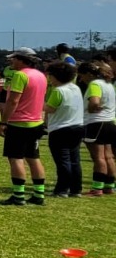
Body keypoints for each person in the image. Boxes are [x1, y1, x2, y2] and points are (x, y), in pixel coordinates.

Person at [0, 49, 47, 206]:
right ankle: (39, 194)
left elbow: (13, 101)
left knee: (16, 158)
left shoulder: (20, 75)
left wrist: (4, 122)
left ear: (22, 60)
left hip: (19, 123)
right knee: (33, 157)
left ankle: (18, 196)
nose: (11, 62)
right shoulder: (41, 75)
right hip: (36, 122)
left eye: (13, 59)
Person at [43, 61, 85, 197]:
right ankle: (76, 189)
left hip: (60, 129)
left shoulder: (58, 91)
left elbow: (50, 109)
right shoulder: (75, 88)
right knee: (75, 160)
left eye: (50, 76)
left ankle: (62, 189)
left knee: (63, 161)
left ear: (56, 76)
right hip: (78, 126)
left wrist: (39, 102)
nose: (49, 79)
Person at [79, 60, 115, 196]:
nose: (81, 79)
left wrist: (90, 108)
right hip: (110, 122)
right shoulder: (108, 84)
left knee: (98, 157)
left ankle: (97, 188)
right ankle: (109, 186)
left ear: (89, 74)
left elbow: (94, 101)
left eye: (82, 76)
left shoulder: (95, 84)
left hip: (96, 123)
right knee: (109, 156)